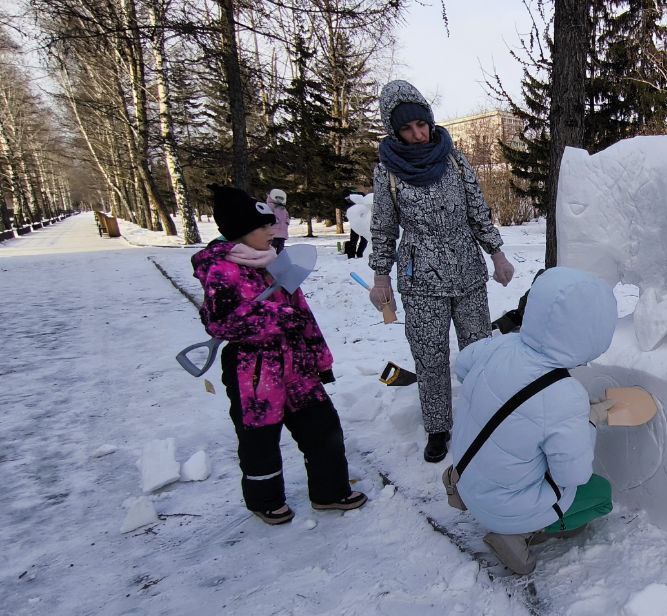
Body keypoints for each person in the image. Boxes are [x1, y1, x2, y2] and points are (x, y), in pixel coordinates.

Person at [193, 185, 366, 525]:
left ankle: (330, 491)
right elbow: (220, 324)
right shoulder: (220, 270)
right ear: (242, 232)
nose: (274, 231)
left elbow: (302, 313)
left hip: (297, 363)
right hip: (254, 371)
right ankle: (265, 500)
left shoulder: (275, 263)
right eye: (264, 226)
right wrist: (278, 318)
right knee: (259, 438)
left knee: (323, 427)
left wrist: (320, 358)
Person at [366, 79, 515, 464]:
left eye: (421, 125)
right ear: (394, 131)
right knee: (429, 356)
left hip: (467, 272)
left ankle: (484, 414)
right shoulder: (388, 172)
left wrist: (496, 253)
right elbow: (383, 227)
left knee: (479, 350)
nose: (417, 135)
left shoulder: (454, 159)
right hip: (421, 281)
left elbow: (477, 211)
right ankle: (437, 427)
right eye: (407, 129)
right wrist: (380, 275)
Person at [451, 267, 617, 575]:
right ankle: (517, 533)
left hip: (464, 473)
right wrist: (588, 422)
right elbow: (574, 475)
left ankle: (485, 504)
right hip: (503, 505)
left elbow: (461, 366)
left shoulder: (500, 345)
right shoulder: (565, 396)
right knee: (600, 496)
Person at [265, 189, 289, 254]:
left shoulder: (283, 208)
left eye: (281, 198)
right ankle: (272, 262)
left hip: (282, 234)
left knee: (280, 252)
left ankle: (280, 263)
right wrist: (275, 220)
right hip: (273, 234)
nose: (280, 200)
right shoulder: (269, 206)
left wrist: (287, 222)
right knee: (271, 251)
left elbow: (286, 218)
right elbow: (268, 216)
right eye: (278, 198)